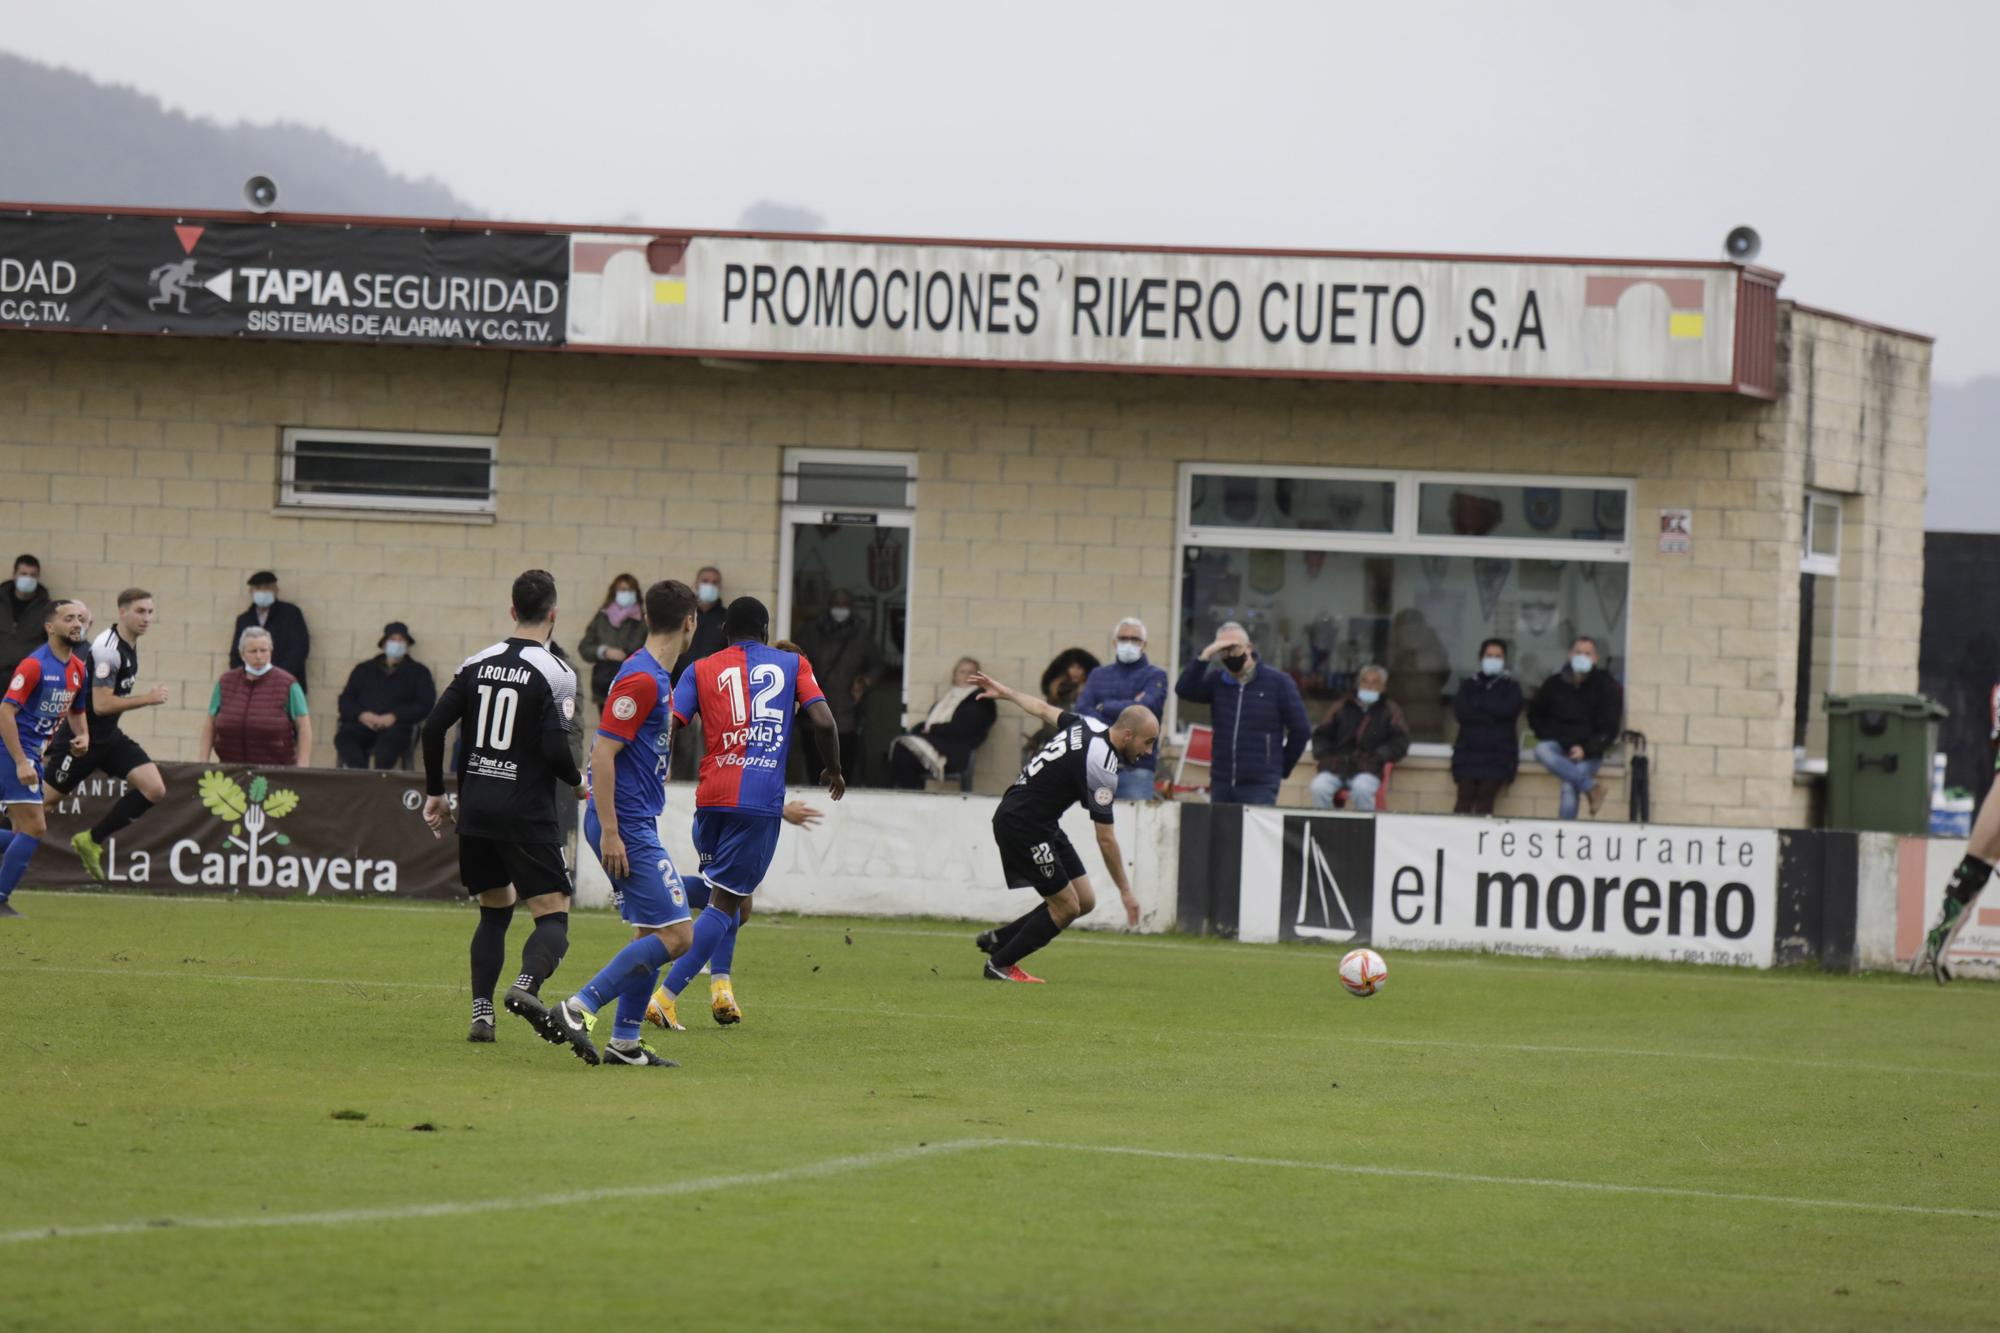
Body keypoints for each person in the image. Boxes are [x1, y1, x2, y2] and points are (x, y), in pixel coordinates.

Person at [589, 596, 841, 1049]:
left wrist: (653, 764)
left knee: (735, 903)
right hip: (759, 799)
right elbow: (823, 721)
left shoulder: (699, 668)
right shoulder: (790, 663)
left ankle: (678, 928)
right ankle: (665, 996)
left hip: (711, 799)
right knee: (726, 902)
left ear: (723, 630)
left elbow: (670, 722)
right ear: (765, 630)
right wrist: (834, 769)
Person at [419, 569, 584, 1045]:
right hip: (525, 810)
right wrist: (576, 782)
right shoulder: (556, 672)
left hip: (476, 809)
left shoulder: (476, 662)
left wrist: (436, 793)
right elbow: (555, 749)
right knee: (553, 913)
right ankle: (527, 986)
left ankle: (482, 1014)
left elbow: (433, 729)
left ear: (512, 611)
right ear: (553, 614)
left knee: (495, 909)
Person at [551, 579, 702, 1067]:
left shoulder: (654, 676)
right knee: (680, 936)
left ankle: (626, 1042)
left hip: (635, 820)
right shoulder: (642, 679)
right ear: (689, 622)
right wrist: (613, 829)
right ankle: (579, 1007)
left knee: (649, 934)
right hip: (626, 823)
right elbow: (603, 754)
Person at [964, 669, 1154, 982]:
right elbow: (1105, 839)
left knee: (1085, 901)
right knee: (1066, 907)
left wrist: (1006, 691)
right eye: (1147, 743)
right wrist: (1126, 892)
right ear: (1128, 735)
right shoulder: (1102, 766)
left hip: (1041, 820)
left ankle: (999, 939)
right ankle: (1000, 964)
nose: (1148, 751)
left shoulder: (1088, 724)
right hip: (1023, 824)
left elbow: (1042, 709)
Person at [49, 589, 173, 881]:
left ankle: (91, 839)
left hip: (109, 738)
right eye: (140, 611)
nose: (147, 618)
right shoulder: (108, 648)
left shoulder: (130, 644)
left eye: (150, 612)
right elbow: (102, 705)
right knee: (41, 805)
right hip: (82, 739)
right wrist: (149, 698)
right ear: (122, 612)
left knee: (154, 788)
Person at [0, 599, 89, 917]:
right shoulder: (34, 665)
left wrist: (83, 736)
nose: (77, 623)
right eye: (68, 618)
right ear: (50, 627)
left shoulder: (79, 670)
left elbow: (77, 711)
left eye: (80, 618)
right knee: (34, 828)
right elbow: (5, 711)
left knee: (25, 830)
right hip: (12, 751)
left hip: (31, 755)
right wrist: (21, 760)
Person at [1173, 621, 1310, 806]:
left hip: (1260, 784)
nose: (1229, 654)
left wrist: (1279, 768)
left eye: (1234, 648)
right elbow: (1184, 689)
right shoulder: (1217, 682)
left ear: (1249, 647)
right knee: (1222, 835)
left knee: (1253, 835)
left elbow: (1301, 730)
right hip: (1222, 780)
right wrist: (1205, 656)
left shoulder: (1278, 682)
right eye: (1223, 650)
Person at [1527, 635, 1623, 820]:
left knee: (1569, 786)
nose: (1582, 656)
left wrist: (1585, 749)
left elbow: (1609, 728)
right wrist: (1556, 737)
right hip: (1558, 747)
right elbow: (1535, 715)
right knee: (1541, 749)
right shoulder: (1554, 683)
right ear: (1570, 655)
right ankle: (1591, 788)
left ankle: (1564, 834)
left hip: (1588, 753)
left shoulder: (1606, 686)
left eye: (1587, 653)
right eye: (1578, 652)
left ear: (1596, 658)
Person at [1075, 618, 1169, 800]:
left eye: (1135, 639)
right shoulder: (1098, 674)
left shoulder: (1156, 676)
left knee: (1135, 827)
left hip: (1137, 770)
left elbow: (1145, 709)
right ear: (1114, 642)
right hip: (1097, 767)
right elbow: (1082, 711)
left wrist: (1104, 706)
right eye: (1123, 638)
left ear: (1144, 644)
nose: (1129, 643)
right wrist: (1131, 706)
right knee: (1094, 826)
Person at [797, 588, 879, 782]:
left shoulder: (861, 633)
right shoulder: (811, 631)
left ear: (851, 607)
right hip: (815, 708)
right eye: (836, 604)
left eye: (844, 605)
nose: (840, 609)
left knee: (844, 766)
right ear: (829, 605)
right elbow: (795, 659)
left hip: (847, 711)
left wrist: (865, 681)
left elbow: (877, 664)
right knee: (814, 766)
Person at [198, 627, 312, 766]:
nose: (259, 656)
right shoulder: (225, 681)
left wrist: (302, 765)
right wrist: (202, 762)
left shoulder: (288, 684)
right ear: (242, 654)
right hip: (230, 769)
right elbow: (210, 723)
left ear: (271, 651)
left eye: (263, 650)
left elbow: (304, 726)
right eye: (253, 651)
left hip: (275, 770)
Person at [333, 622, 436, 770]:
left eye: (401, 640)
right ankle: (360, 783)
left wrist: (395, 716)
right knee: (346, 740)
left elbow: (425, 704)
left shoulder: (419, 672)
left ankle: (380, 790)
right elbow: (345, 700)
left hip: (397, 729)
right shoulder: (363, 670)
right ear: (384, 643)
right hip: (360, 726)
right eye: (393, 640)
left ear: (407, 645)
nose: (397, 644)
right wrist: (361, 715)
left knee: (386, 751)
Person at [1308, 664, 1408, 812]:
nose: (1369, 686)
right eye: (1365, 681)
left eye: (1374, 682)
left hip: (1369, 769)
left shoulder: (1390, 710)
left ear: (1383, 687)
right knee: (1319, 787)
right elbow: (1322, 735)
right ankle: (1326, 829)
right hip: (1337, 767)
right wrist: (1326, 757)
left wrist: (1379, 756)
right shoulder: (1341, 706)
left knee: (1362, 790)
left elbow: (1399, 742)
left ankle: (1362, 832)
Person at [889, 657, 998, 788]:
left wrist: (932, 729)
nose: (966, 675)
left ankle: (906, 796)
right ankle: (905, 794)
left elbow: (963, 728)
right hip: (937, 744)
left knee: (903, 750)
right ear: (955, 675)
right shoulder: (947, 698)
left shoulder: (980, 699)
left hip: (953, 751)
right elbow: (931, 724)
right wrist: (922, 729)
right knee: (902, 748)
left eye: (971, 672)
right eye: (962, 671)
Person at [1451, 637, 1524, 815]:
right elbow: (1461, 713)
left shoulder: (1511, 687)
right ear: (1481, 657)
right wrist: (1492, 712)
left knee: (1485, 797)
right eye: (1489, 655)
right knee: (1464, 797)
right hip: (1468, 753)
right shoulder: (1468, 685)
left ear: (1505, 660)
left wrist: (1479, 704)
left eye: (1498, 656)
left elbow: (1509, 711)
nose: (1493, 659)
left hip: (1499, 756)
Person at [669, 567, 729, 781]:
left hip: (714, 700)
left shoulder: (726, 620)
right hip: (681, 695)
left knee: (709, 753)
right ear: (696, 583)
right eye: (705, 580)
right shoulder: (686, 616)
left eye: (714, 582)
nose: (709, 585)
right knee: (681, 752)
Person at [577, 572, 646, 717]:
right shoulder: (602, 617)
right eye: (621, 590)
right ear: (614, 592)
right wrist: (604, 652)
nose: (625, 594)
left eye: (629, 590)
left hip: (632, 685)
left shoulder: (643, 621)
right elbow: (585, 647)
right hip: (604, 685)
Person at [228, 571, 310, 685]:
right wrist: (246, 677)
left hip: (286, 684)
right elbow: (236, 654)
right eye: (258, 588)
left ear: (276, 590)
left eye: (267, 587)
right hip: (251, 684)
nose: (262, 592)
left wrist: (274, 676)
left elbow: (299, 649)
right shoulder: (244, 620)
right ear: (251, 591)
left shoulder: (290, 614)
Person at [1022, 647, 1100, 759]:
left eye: (1079, 667)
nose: (1076, 671)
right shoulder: (1056, 690)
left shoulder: (1089, 692)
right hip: (1055, 741)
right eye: (1072, 667)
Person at [1, 555, 53, 668]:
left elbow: (51, 642)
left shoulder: (47, 608)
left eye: (33, 575)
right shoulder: (2, 602)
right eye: (24, 574)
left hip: (28, 673)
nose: (28, 578)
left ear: (38, 577)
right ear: (14, 575)